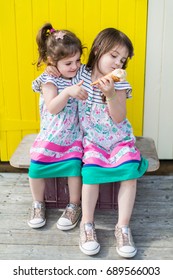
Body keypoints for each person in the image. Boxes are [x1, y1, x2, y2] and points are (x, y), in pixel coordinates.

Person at [45, 27, 148, 258]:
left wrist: (111, 94)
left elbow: (119, 117)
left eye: (122, 60)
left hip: (119, 138)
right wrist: (53, 67)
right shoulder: (79, 73)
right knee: (90, 174)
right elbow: (63, 63)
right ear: (97, 50)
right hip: (92, 140)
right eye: (113, 56)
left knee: (129, 174)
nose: (117, 63)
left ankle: (122, 227)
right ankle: (87, 224)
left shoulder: (118, 83)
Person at [28, 23, 87, 230]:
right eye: (68, 62)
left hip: (72, 137)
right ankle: (38, 203)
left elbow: (90, 73)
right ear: (53, 62)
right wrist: (67, 92)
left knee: (74, 169)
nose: (75, 66)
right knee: (35, 167)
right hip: (51, 136)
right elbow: (52, 107)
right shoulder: (49, 80)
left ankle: (74, 205)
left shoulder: (78, 74)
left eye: (78, 60)